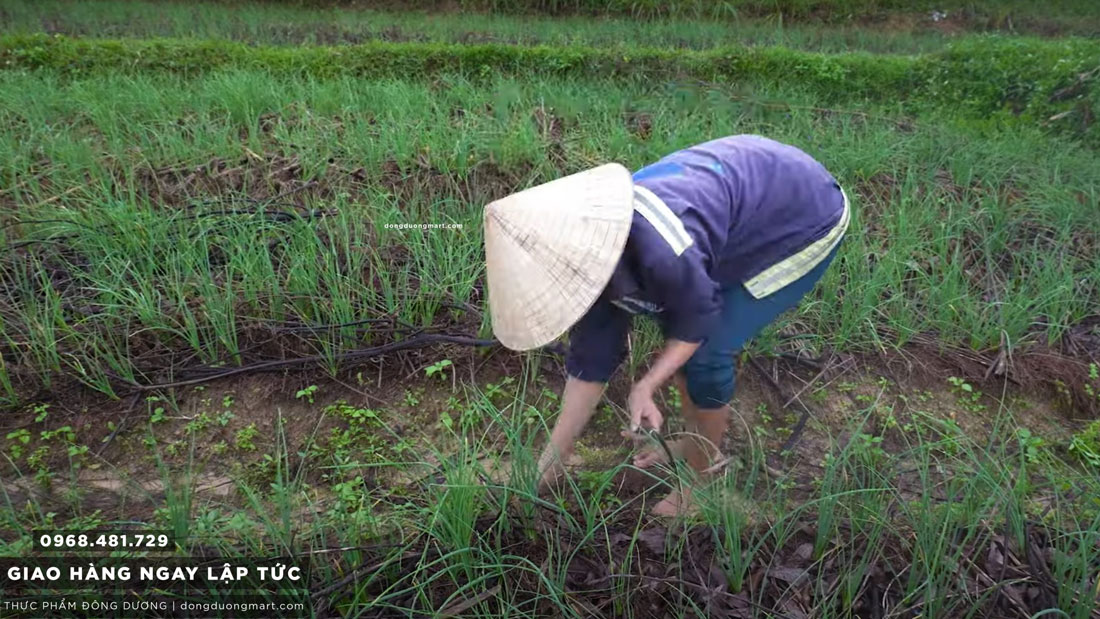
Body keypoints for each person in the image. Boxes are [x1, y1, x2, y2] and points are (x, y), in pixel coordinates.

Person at [482, 135, 849, 516]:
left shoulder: (663, 249)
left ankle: (700, 480)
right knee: (677, 331)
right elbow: (592, 358)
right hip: (732, 203)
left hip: (801, 216)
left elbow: (698, 323)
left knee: (706, 355)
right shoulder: (587, 257)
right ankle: (683, 443)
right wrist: (551, 461)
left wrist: (647, 384)